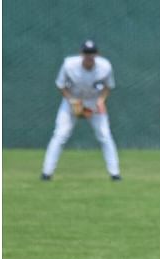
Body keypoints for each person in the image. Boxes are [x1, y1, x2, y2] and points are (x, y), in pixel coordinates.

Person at [41, 39, 121, 181]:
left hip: (93, 102)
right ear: (81, 53)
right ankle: (46, 173)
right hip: (72, 100)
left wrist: (101, 101)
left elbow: (108, 86)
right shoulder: (69, 64)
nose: (89, 56)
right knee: (60, 134)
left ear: (97, 54)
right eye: (86, 53)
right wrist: (72, 100)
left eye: (92, 53)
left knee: (105, 134)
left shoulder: (105, 66)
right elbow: (60, 85)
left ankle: (115, 174)